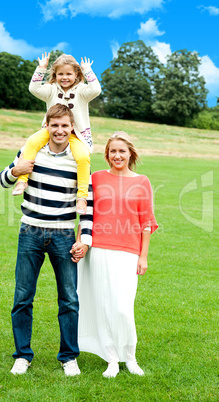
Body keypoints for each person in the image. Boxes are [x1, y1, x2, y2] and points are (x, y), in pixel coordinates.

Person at [0, 104, 93, 376]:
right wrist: (16, 172)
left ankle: (68, 357)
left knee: (69, 299)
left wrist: (84, 239)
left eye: (65, 125)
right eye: (55, 125)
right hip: (30, 231)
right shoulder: (31, 150)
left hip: (64, 234)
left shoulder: (79, 157)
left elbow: (88, 202)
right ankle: (22, 356)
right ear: (47, 126)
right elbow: (3, 179)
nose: (60, 130)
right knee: (23, 297)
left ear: (71, 127)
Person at [71, 132, 158, 378]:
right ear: (107, 155)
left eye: (122, 151)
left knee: (122, 306)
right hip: (98, 250)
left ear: (130, 153)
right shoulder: (95, 178)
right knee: (102, 304)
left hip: (129, 251)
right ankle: (110, 357)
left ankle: (129, 356)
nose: (117, 155)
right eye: (112, 151)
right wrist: (80, 242)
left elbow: (147, 222)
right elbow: (86, 215)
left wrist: (143, 256)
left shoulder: (142, 181)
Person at [12, 52, 101, 215]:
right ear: (55, 74)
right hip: (50, 131)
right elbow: (33, 88)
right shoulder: (51, 90)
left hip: (76, 135)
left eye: (69, 73)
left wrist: (88, 70)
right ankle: (22, 181)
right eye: (60, 74)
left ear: (76, 74)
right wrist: (41, 68)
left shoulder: (82, 91)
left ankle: (81, 197)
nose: (64, 77)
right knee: (31, 143)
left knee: (83, 157)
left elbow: (96, 89)